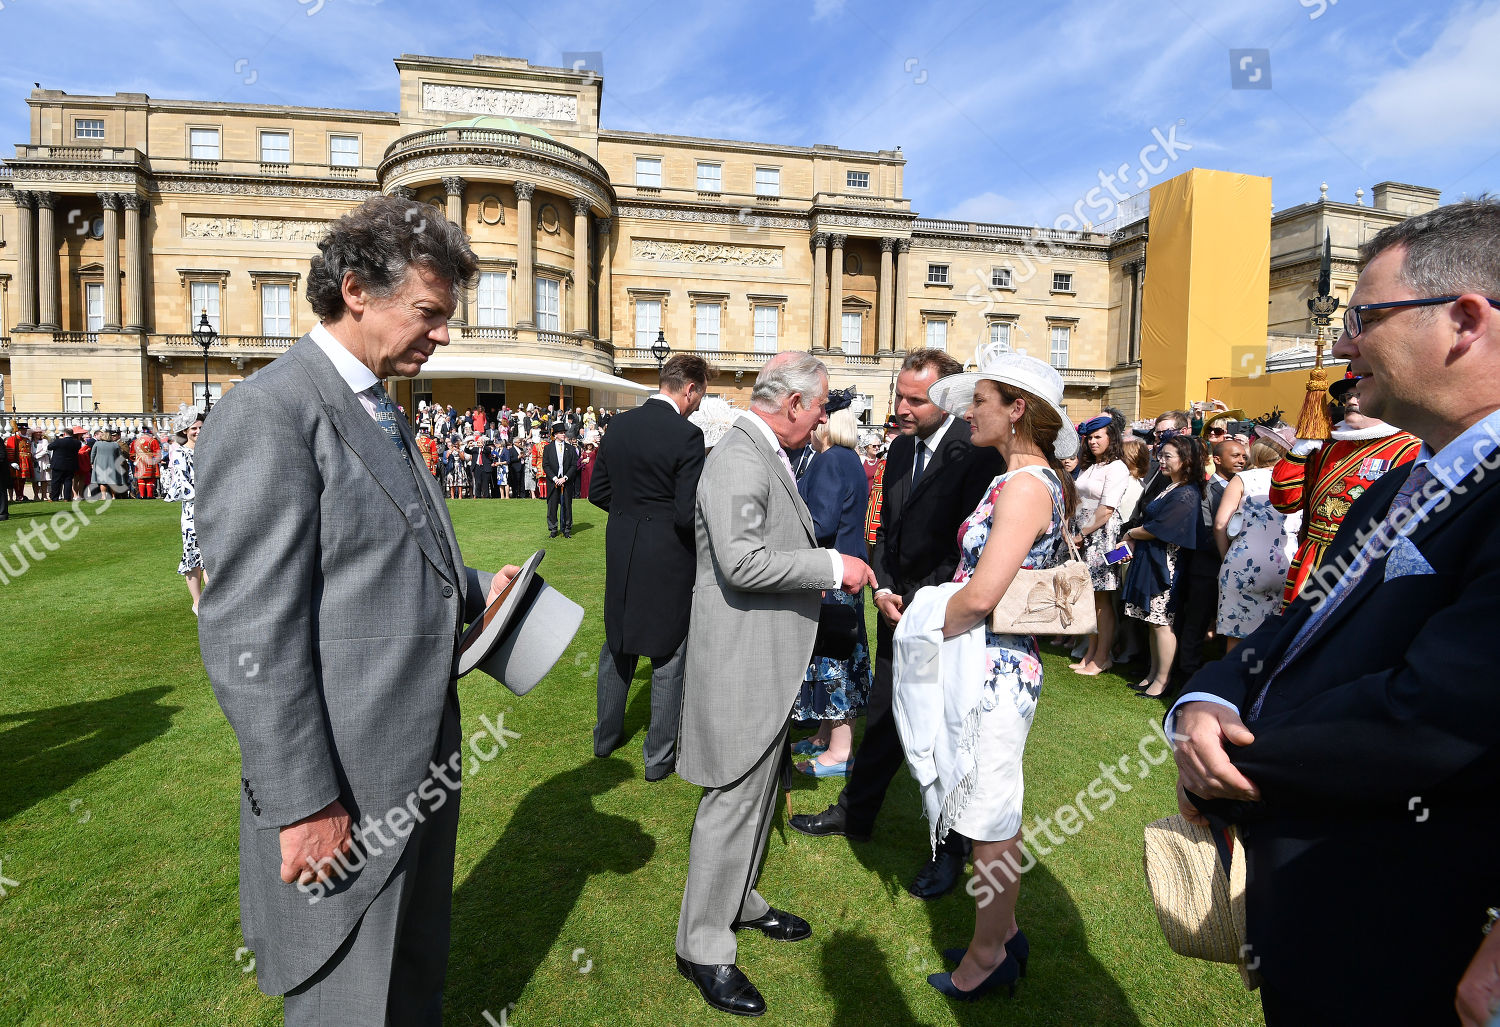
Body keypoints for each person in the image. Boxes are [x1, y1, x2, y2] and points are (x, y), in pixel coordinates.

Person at [1170, 197, 1500, 1025]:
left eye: (1365, 317)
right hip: (1313, 914)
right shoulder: (1397, 480)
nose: (1345, 346)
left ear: (1463, 319)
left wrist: (1233, 770)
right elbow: (1298, 624)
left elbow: (1431, 713)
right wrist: (1207, 698)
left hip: (1412, 936)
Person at [196, 195, 519, 1025]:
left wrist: (480, 587)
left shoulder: (382, 404)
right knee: (347, 1000)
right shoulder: (270, 412)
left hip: (417, 766)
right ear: (355, 291)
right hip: (343, 789)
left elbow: (380, 556)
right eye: (428, 313)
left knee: (411, 986)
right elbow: (247, 636)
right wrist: (305, 804)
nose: (443, 334)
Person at [675, 351, 875, 1017]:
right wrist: (831, 563)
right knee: (732, 800)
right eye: (819, 408)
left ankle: (741, 900)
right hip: (740, 663)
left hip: (766, 660)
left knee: (762, 796)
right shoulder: (738, 454)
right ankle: (702, 944)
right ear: (792, 404)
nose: (823, 421)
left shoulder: (762, 449)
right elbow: (741, 560)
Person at [791, 348, 1005, 901]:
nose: (902, 408)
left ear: (947, 398)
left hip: (942, 620)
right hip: (897, 611)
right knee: (884, 715)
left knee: (942, 734)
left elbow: (968, 547)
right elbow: (884, 530)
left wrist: (925, 606)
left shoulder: (975, 454)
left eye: (916, 399)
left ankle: (948, 850)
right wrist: (884, 588)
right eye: (900, 396)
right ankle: (856, 813)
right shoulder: (904, 447)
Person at [896, 350, 1077, 1001]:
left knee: (991, 816)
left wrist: (917, 621)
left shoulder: (1025, 486)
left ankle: (989, 952)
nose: (969, 410)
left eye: (980, 399)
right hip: (993, 663)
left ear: (1016, 408)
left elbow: (980, 595)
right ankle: (1005, 930)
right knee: (985, 808)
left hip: (995, 671)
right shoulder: (1024, 479)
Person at [589, 354, 708, 781]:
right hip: (668, 555)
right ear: (689, 388)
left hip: (622, 546)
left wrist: (628, 515)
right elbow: (685, 512)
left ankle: (605, 739)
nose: (697, 405)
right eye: (700, 395)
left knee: (617, 645)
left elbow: (597, 491)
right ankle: (657, 759)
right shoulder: (687, 436)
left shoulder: (618, 425)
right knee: (668, 652)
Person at [1270, 370, 1420, 606]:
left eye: (1359, 395)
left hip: (1361, 559)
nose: (1351, 401)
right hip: (1313, 557)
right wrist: (1297, 455)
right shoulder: (1327, 445)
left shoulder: (1410, 448)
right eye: (1347, 396)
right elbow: (1284, 501)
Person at [792, 391, 873, 776]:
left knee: (835, 661)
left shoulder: (829, 460)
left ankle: (839, 751)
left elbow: (820, 523)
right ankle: (825, 736)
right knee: (835, 655)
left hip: (833, 575)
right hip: (845, 570)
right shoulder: (849, 459)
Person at [1120, 434, 1202, 697]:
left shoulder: (1187, 492)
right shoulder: (1172, 487)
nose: (1161, 461)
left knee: (1162, 621)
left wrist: (1132, 534)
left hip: (1167, 564)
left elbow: (1161, 528)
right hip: (1152, 559)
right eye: (1161, 455)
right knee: (1152, 621)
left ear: (1186, 460)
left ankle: (1163, 681)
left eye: (1168, 456)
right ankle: (1152, 674)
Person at [1214, 441, 1298, 646]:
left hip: (1245, 559)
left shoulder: (1243, 478)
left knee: (1237, 633)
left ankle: (1233, 677)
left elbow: (1220, 523)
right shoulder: (1299, 481)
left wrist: (1226, 556)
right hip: (1288, 561)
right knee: (1275, 635)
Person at [1069, 414, 1129, 676]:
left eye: (1098, 437)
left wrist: (1081, 532)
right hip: (1082, 532)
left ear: (1111, 438)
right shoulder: (1092, 465)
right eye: (1090, 437)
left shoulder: (1117, 468)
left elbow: (1106, 509)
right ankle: (1090, 652)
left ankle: (1102, 656)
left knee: (1102, 599)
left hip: (1101, 536)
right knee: (1088, 598)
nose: (1092, 442)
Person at [163, 414, 205, 614]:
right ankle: (197, 602)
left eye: (200, 427)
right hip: (192, 509)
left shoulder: (208, 450)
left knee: (210, 554)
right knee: (193, 555)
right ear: (185, 431)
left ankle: (212, 600)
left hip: (212, 507)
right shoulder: (180, 452)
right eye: (193, 428)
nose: (197, 431)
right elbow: (183, 483)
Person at [542, 422, 578, 538]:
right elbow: (545, 465)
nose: (564, 435)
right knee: (552, 505)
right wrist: (554, 478)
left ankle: (567, 529)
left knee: (567, 505)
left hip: (566, 481)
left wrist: (565, 477)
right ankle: (553, 529)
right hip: (553, 481)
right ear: (556, 435)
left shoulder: (571, 448)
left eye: (564, 433)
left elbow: (574, 465)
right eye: (561, 433)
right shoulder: (548, 448)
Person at [90, 429, 130, 499]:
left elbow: (93, 454)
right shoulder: (115, 444)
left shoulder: (97, 443)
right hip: (113, 464)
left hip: (100, 464)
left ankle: (103, 496)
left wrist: (92, 462)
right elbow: (120, 455)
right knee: (112, 481)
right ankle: (113, 496)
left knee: (102, 481)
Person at [48, 425, 83, 501]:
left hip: (58, 464)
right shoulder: (77, 443)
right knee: (68, 481)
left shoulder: (59, 441)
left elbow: (49, 447)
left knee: (56, 481)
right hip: (70, 464)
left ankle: (54, 497)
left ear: (64, 434)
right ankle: (67, 497)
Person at [6, 423, 34, 503]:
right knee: (17, 479)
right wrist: (12, 461)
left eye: (25, 430)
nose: (24, 431)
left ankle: (21, 494)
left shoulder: (27, 439)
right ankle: (18, 495)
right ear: (18, 430)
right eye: (22, 430)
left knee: (23, 479)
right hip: (18, 460)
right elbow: (10, 450)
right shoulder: (13, 438)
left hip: (26, 461)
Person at [133, 427, 161, 499]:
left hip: (139, 461)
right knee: (150, 479)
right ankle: (150, 495)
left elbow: (132, 454)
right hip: (149, 461)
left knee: (141, 479)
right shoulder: (153, 441)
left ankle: (142, 495)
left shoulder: (135, 441)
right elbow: (157, 453)